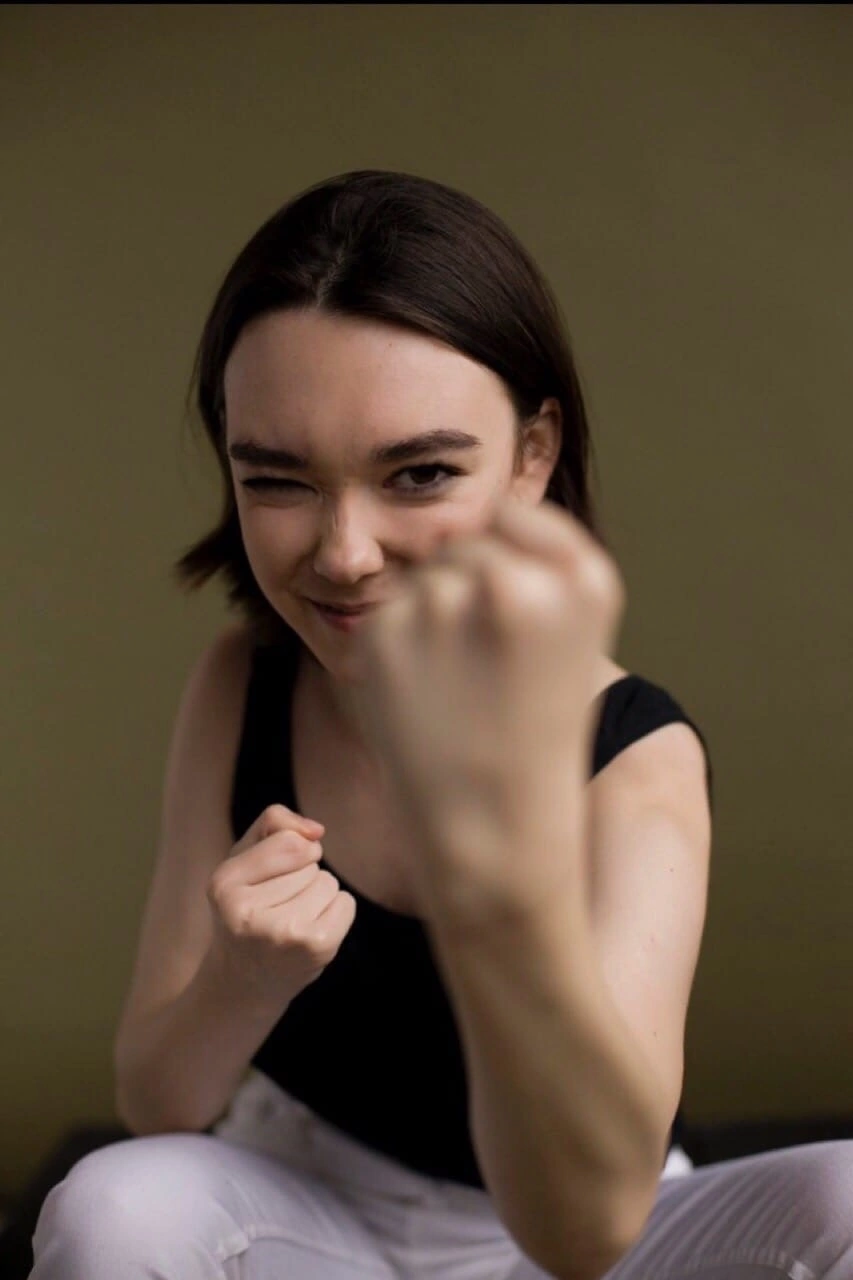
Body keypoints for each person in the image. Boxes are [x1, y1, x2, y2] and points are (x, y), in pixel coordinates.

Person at [30, 170, 851, 1280]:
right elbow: (155, 1102)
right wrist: (239, 975)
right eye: (277, 479)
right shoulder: (243, 682)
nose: (344, 553)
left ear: (531, 456)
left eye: (418, 473)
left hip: (584, 1235)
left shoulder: (633, 757)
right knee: (113, 1208)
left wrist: (494, 885)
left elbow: (585, 1230)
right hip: (310, 1219)